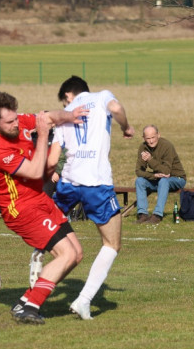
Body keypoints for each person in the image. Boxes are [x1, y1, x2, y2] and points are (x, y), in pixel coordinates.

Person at [0, 90, 88, 325]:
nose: (16, 124)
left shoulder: (17, 123)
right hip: (21, 210)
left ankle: (26, 301)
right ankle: (31, 308)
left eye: (16, 118)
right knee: (65, 254)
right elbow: (36, 171)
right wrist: (43, 135)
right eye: (9, 122)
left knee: (76, 254)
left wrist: (70, 115)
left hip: (39, 200)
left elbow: (48, 117)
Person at [48, 75, 134, 320]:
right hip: (96, 184)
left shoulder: (64, 112)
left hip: (68, 182)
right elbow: (116, 108)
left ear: (68, 95)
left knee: (49, 227)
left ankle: (37, 264)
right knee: (112, 244)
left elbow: (53, 160)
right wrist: (125, 127)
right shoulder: (102, 96)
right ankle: (84, 300)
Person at [134, 125, 186, 223]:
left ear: (158, 135)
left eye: (153, 137)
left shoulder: (167, 146)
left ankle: (157, 215)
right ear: (144, 138)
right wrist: (153, 176)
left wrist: (150, 160)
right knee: (139, 181)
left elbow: (166, 171)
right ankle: (142, 214)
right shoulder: (143, 147)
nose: (151, 141)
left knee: (164, 181)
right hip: (159, 179)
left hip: (177, 178)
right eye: (148, 138)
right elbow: (138, 171)